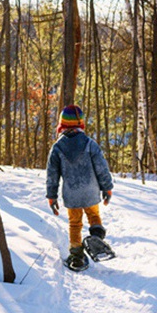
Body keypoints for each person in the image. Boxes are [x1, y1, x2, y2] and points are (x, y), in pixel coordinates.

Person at [46, 105, 113, 270]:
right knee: (94, 215)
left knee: (75, 223)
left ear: (62, 124)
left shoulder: (57, 147)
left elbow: (52, 175)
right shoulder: (90, 144)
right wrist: (107, 188)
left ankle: (76, 256)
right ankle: (96, 237)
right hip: (91, 190)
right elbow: (101, 167)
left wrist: (51, 196)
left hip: (71, 193)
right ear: (80, 123)